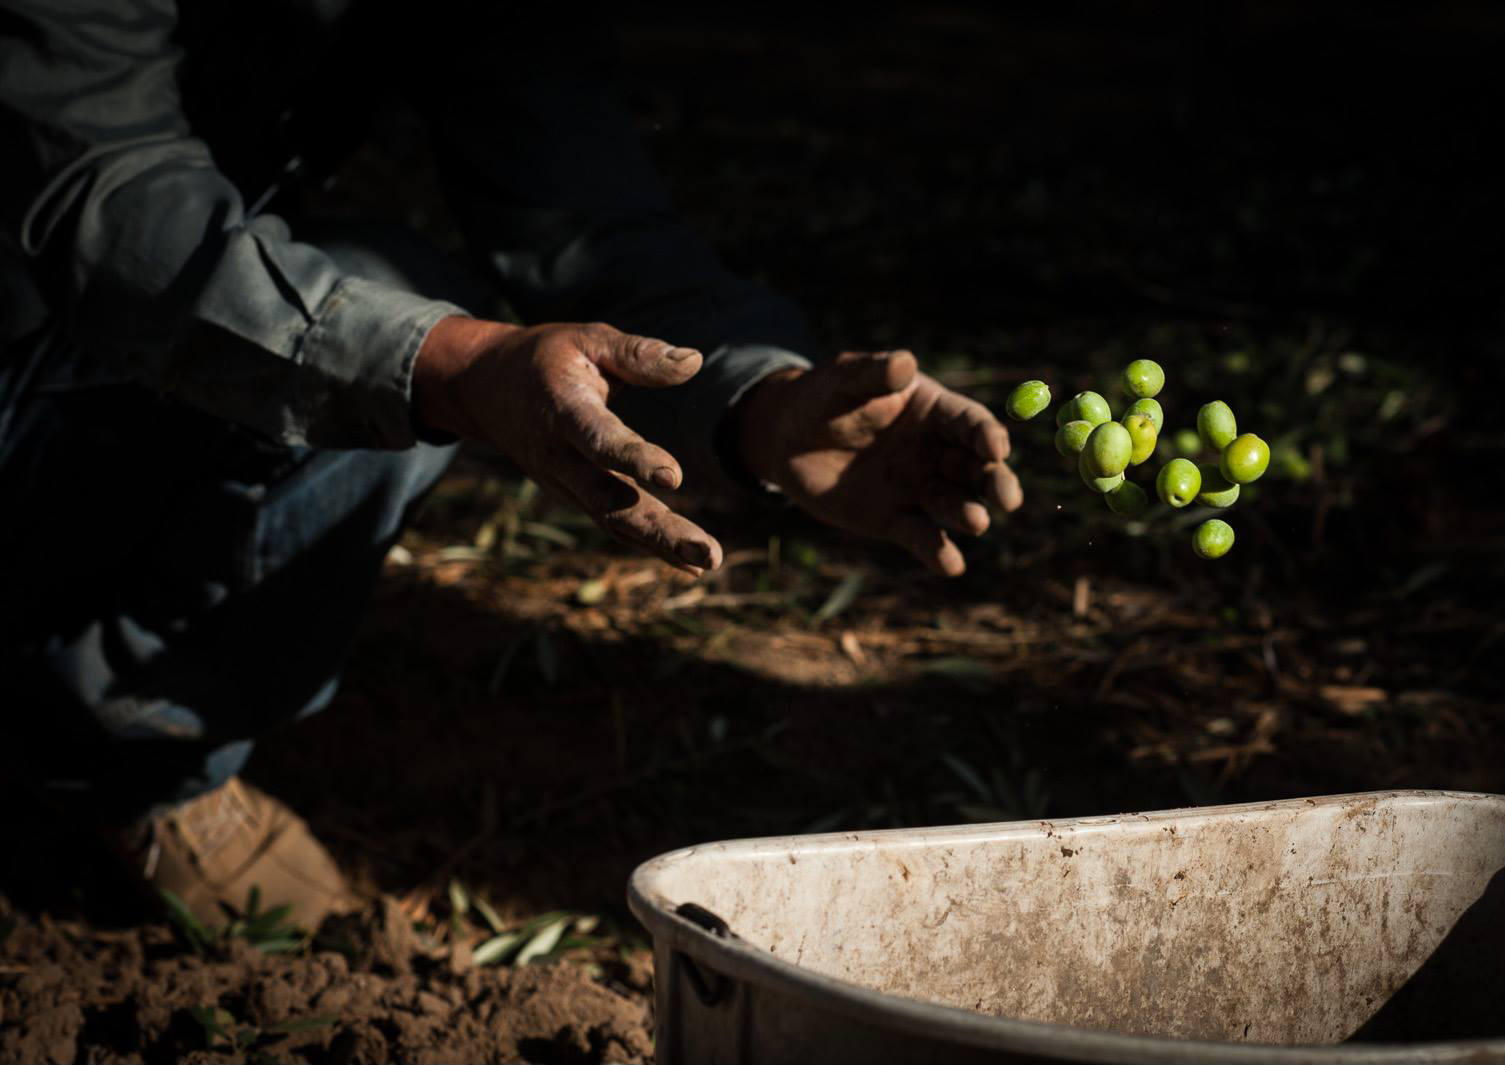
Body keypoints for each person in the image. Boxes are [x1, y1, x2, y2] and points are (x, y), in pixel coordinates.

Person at [0, 2, 1023, 928]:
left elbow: (587, 215)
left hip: (103, 358)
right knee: (389, 324)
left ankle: (124, 746)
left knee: (385, 307)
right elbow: (100, 192)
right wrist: (456, 366)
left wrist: (760, 402)